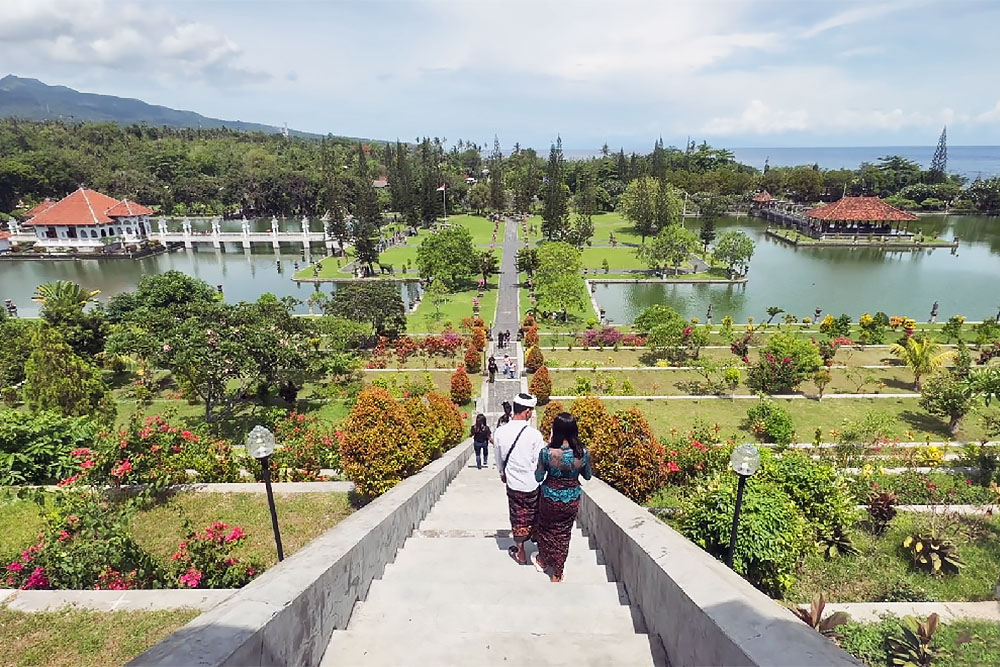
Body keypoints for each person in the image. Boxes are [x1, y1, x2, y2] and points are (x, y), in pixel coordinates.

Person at [531, 413, 592, 583]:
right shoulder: (583, 454)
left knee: (546, 529)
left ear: (555, 431)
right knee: (563, 534)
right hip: (571, 498)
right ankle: (557, 572)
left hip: (549, 496)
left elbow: (538, 477)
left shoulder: (546, 453)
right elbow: (587, 476)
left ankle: (543, 560)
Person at [494, 393, 546, 565]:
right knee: (535, 515)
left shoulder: (500, 432)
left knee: (517, 516)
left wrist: (502, 473)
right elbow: (540, 460)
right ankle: (540, 550)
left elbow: (499, 458)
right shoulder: (535, 435)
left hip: (513, 483)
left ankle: (521, 552)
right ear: (527, 412)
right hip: (532, 483)